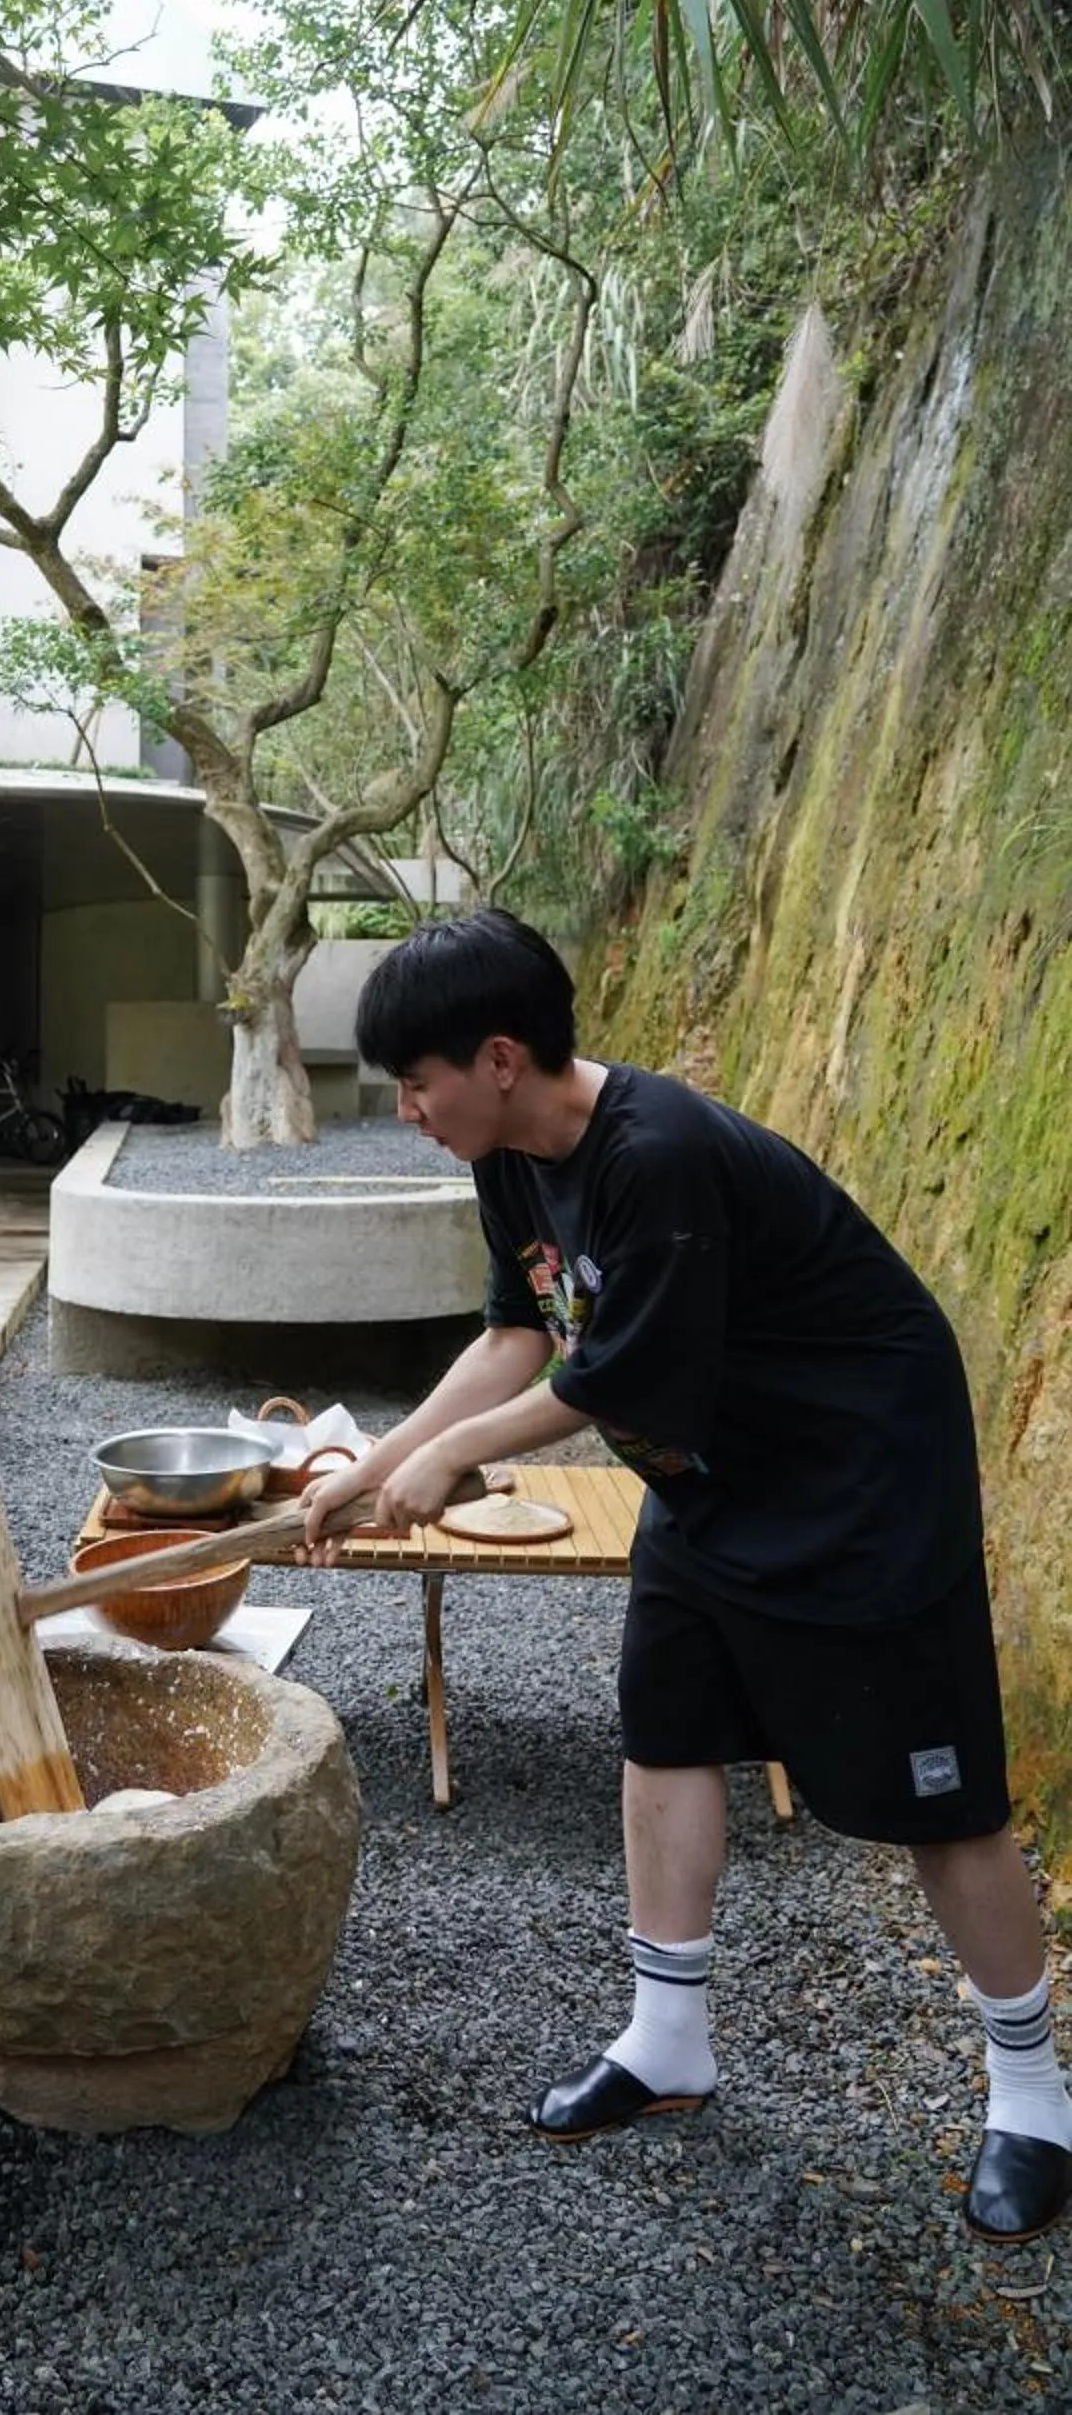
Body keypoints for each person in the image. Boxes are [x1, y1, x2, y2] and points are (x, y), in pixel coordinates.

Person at [301, 907, 1072, 2245]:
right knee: (663, 1731)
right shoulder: (509, 1158)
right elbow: (517, 1335)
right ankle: (667, 2041)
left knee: (937, 1801)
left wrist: (451, 1463)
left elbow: (612, 1381)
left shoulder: (654, 1155)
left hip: (859, 1480)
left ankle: (1034, 2096)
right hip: (714, 1476)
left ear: (498, 1059)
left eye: (415, 1084)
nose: (406, 1111)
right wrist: (376, 1461)